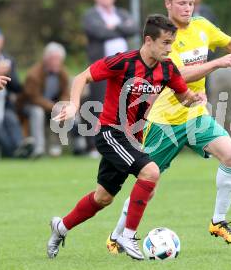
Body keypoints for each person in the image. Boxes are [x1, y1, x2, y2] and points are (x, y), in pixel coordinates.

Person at [106, 0, 231, 253]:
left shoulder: (202, 26)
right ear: (168, 4)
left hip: (195, 115)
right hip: (164, 121)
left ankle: (219, 221)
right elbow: (175, 74)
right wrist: (216, 64)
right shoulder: (164, 38)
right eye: (182, 3)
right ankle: (117, 236)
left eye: (191, 3)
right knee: (148, 183)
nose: (188, 8)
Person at [46, 14, 205, 261]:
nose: (169, 49)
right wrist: (75, 105)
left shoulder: (167, 68)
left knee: (103, 198)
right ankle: (127, 236)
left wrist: (193, 99)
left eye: (172, 43)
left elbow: (183, 97)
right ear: (148, 40)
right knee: (150, 173)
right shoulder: (123, 62)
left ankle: (61, 227)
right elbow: (82, 77)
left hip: (133, 139)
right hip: (110, 132)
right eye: (165, 43)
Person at [83, 0, 139, 156]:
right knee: (98, 104)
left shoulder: (120, 13)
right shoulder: (90, 15)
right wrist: (121, 29)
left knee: (125, 103)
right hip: (102, 67)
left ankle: (124, 141)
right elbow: (98, 32)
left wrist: (113, 28)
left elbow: (134, 28)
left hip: (124, 69)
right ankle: (95, 146)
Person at [17, 42, 70, 157]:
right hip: (28, 106)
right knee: (38, 112)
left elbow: (66, 92)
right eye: (54, 59)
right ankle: (39, 148)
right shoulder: (34, 74)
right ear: (46, 59)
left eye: (59, 59)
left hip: (51, 106)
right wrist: (54, 107)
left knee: (66, 110)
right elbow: (34, 98)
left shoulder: (63, 72)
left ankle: (57, 146)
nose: (56, 62)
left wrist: (63, 105)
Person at [0, 27, 34, 158]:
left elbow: (17, 87)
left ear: (1, 41)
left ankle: (19, 147)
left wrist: (8, 74)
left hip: (4, 105)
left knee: (10, 119)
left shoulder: (7, 60)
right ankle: (13, 152)